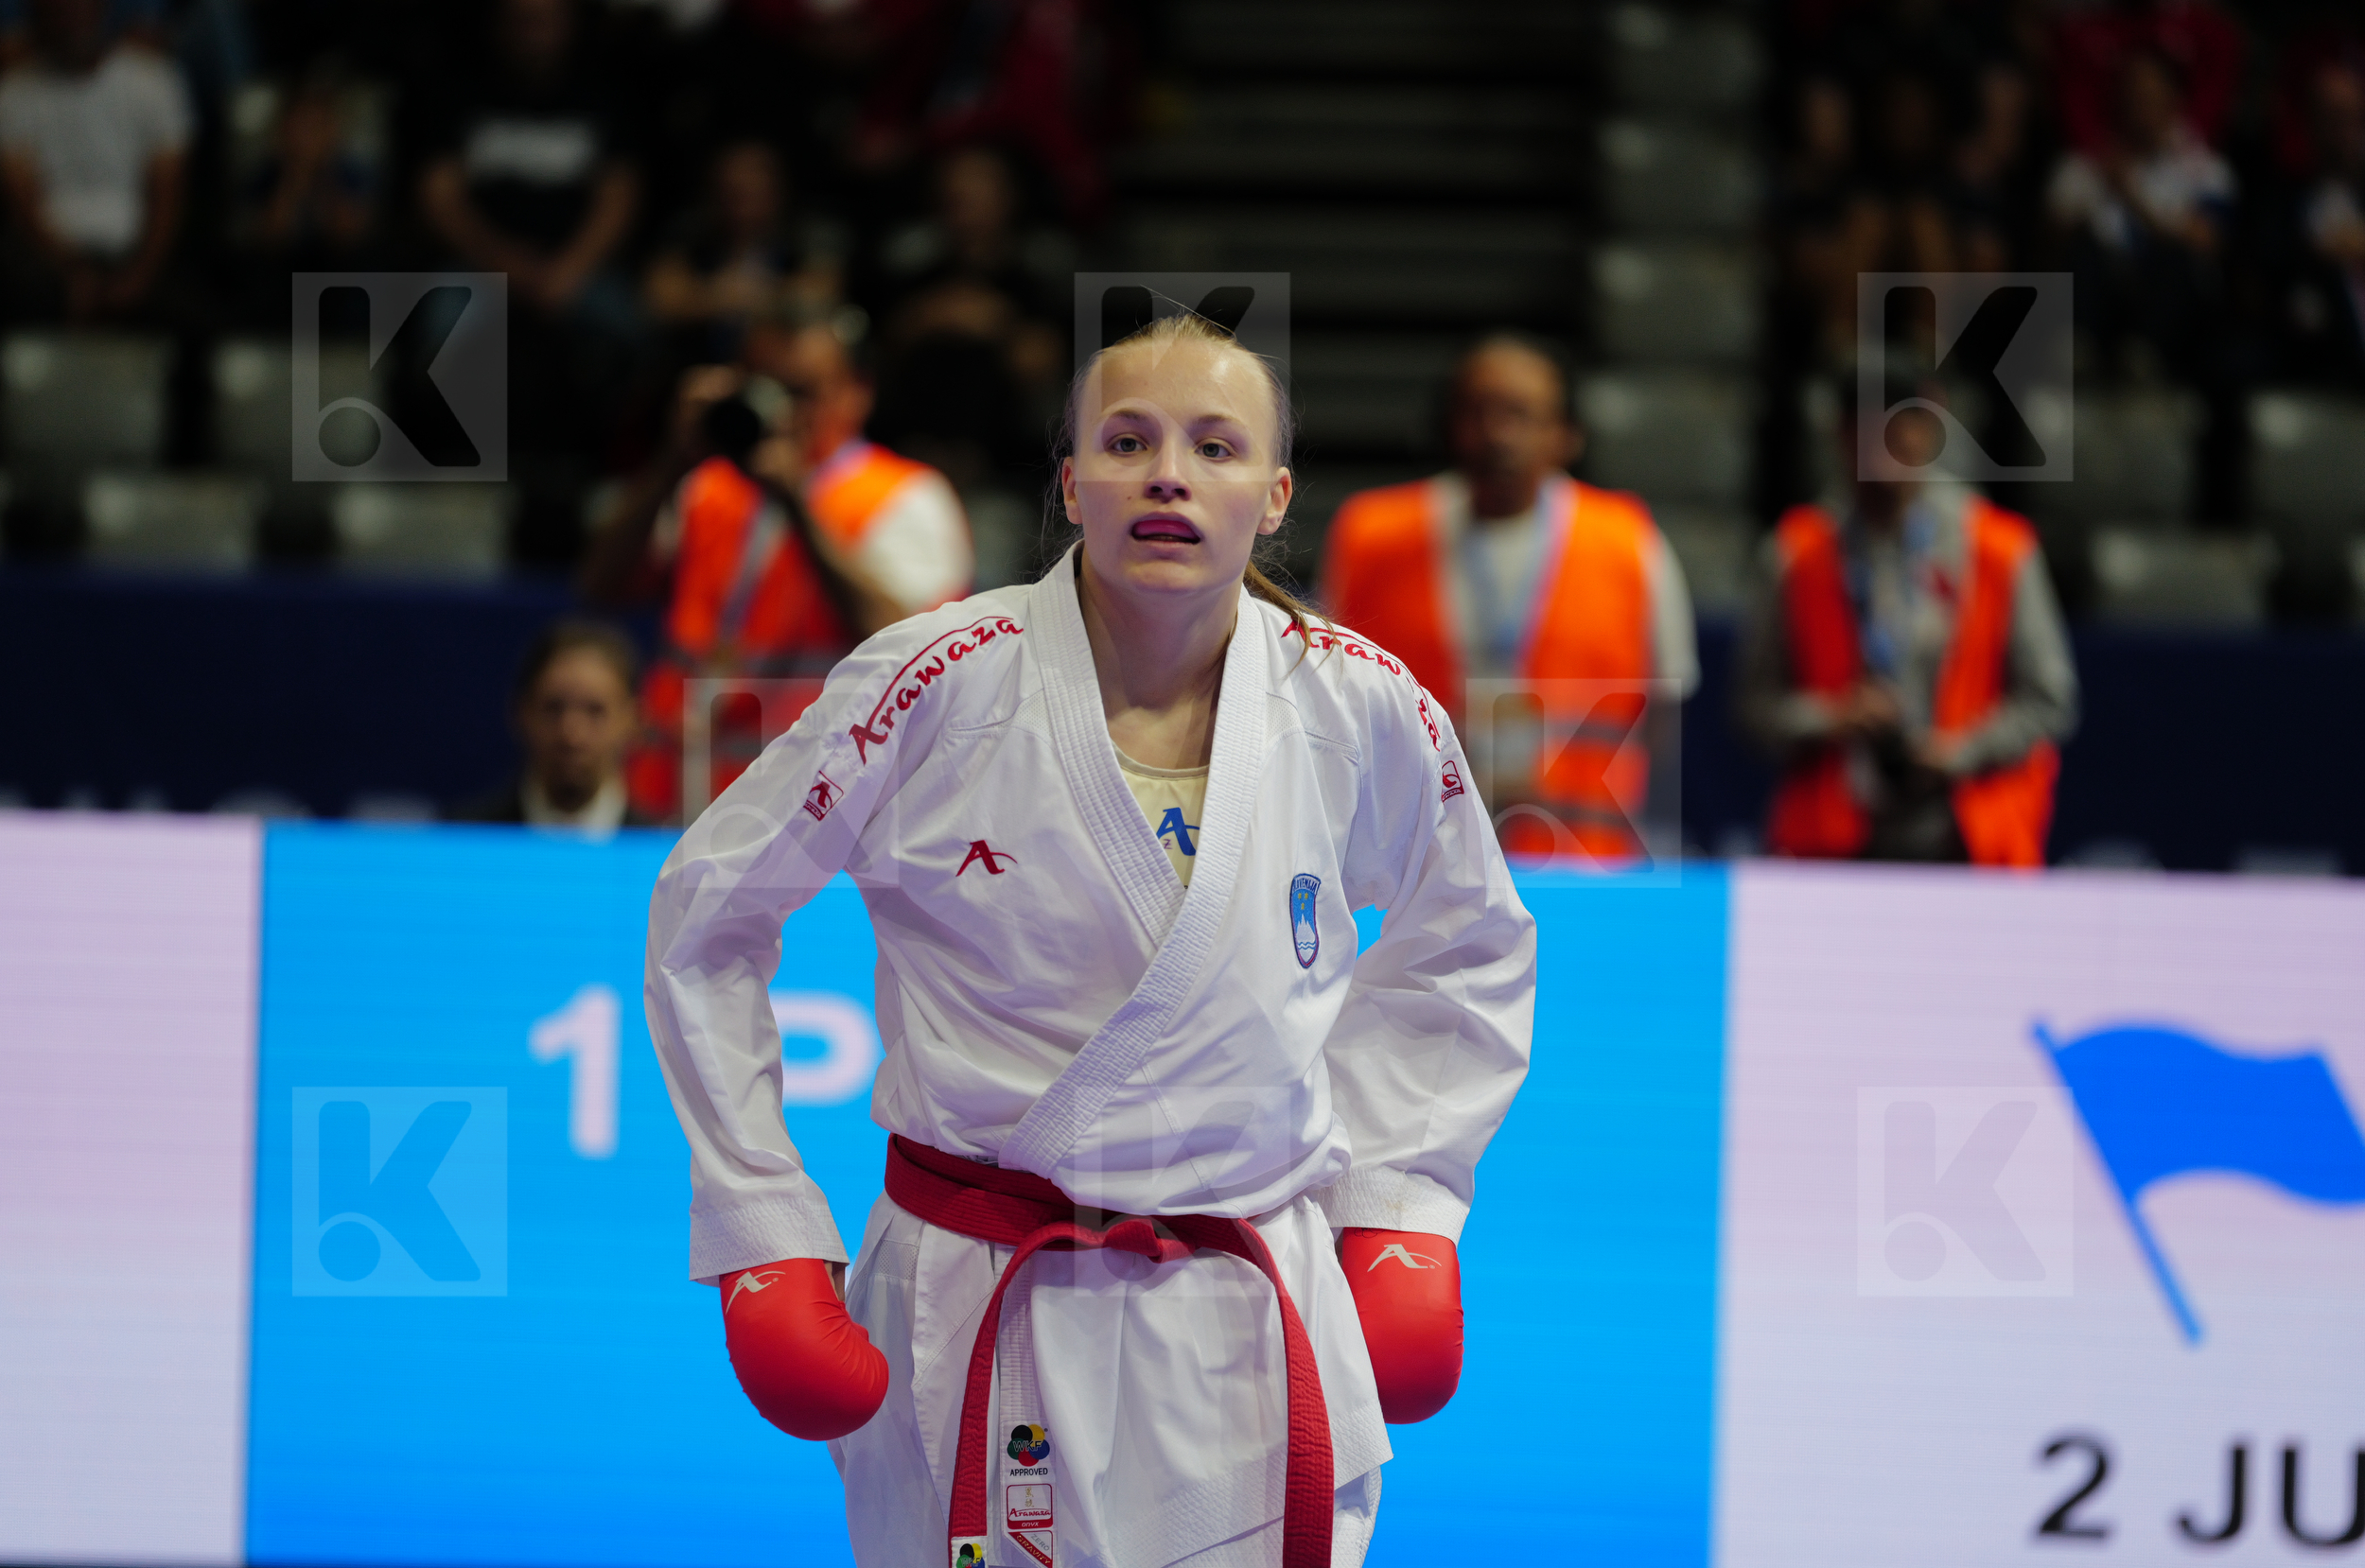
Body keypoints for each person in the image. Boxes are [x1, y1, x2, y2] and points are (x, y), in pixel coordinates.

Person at [644, 310, 1536, 1565]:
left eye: (1216, 446)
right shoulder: (934, 679)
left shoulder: (1361, 700)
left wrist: (1399, 1201)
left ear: (1275, 495)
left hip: (1248, 1298)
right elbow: (708, 911)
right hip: (979, 1290)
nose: (1170, 472)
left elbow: (1470, 941)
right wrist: (764, 1224)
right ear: (1071, 481)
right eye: (1127, 440)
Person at [1319, 334, 1697, 864]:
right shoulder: (1370, 539)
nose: (1498, 433)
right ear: (1448, 425)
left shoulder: (1630, 543)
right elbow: (1326, 705)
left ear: (1566, 435)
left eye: (1520, 414)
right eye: (1478, 412)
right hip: (1408, 865)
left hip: (1583, 863)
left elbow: (1667, 714)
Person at [581, 313, 972, 821]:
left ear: (857, 393)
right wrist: (673, 458)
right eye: (765, 388)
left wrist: (797, 503)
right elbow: (600, 587)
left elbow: (908, 650)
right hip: (671, 799)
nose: (782, 411)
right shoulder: (710, 485)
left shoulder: (906, 498)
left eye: (801, 391)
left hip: (807, 816)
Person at [1737, 384, 2077, 865]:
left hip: (1966, 842)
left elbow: (2049, 701)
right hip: (1834, 843)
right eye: (1868, 432)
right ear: (1840, 436)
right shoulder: (1795, 553)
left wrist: (1961, 752)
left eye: (1901, 432)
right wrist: (1832, 717)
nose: (1885, 451)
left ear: (1931, 430)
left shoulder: (2000, 550)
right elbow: (1754, 708)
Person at [0, 0, 188, 324]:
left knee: (190, 313)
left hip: (134, 251)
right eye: (58, 10)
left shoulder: (152, 80)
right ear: (38, 17)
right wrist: (70, 271)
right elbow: (22, 203)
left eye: (79, 7)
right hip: (47, 259)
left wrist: (140, 275)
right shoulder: (14, 94)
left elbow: (168, 195)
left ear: (101, 9)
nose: (70, 18)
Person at [643, 138, 843, 367]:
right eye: (732, 191)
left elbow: (819, 294)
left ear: (778, 190)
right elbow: (662, 302)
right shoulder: (692, 237)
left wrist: (731, 296)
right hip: (694, 367)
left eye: (754, 189)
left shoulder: (803, 239)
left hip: (778, 369)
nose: (742, 201)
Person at [450, 619, 654, 832]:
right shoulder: (461, 838)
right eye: (553, 708)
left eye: (595, 711)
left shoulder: (666, 853)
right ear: (521, 712)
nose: (572, 735)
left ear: (635, 720)